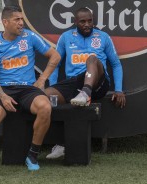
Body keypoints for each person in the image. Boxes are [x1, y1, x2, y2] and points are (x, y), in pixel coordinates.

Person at [0, 6, 60, 175]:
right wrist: (2, 96)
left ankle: (33, 155)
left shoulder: (30, 36)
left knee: (45, 107)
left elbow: (55, 56)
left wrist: (42, 79)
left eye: (22, 19)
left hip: (28, 89)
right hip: (4, 89)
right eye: (17, 20)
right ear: (5, 22)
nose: (21, 23)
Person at [45, 7, 126, 159]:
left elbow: (116, 64)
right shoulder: (66, 37)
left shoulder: (103, 37)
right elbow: (55, 63)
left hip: (98, 84)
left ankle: (85, 93)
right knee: (45, 97)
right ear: (76, 22)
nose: (87, 24)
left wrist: (119, 89)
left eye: (90, 21)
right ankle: (61, 144)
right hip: (74, 83)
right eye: (83, 21)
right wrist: (53, 85)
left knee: (92, 59)